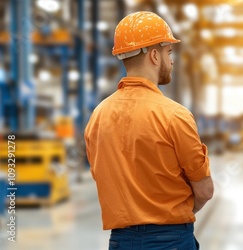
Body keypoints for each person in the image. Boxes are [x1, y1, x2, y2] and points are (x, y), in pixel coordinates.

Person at [85, 11, 213, 250]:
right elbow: (205, 190)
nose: (172, 60)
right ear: (154, 56)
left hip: (121, 241)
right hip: (171, 240)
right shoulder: (174, 115)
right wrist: (175, 210)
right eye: (169, 52)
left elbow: (102, 177)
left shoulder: (98, 116)